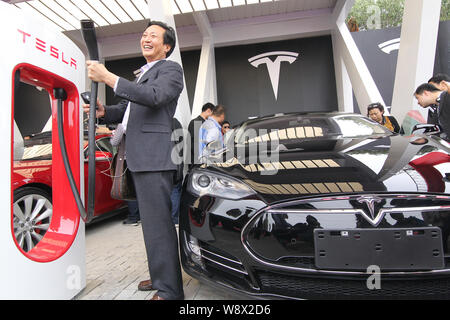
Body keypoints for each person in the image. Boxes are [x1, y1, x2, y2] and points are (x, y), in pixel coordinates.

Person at [84, 20, 184, 300]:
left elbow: (154, 97)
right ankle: (160, 276)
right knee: (151, 226)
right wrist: (105, 111)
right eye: (144, 34)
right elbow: (126, 111)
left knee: (159, 226)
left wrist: (108, 78)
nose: (146, 38)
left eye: (153, 35)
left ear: (166, 46)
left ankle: (170, 292)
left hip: (154, 158)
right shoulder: (141, 75)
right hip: (137, 156)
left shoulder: (171, 70)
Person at [187, 102, 214, 167]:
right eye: (213, 114)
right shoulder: (196, 122)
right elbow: (195, 143)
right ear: (208, 111)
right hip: (197, 161)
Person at [171, 117, 183, 225]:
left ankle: (174, 218)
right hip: (177, 161)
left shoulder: (161, 122)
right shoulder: (176, 122)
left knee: (174, 190)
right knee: (176, 189)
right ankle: (175, 218)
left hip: (166, 162)